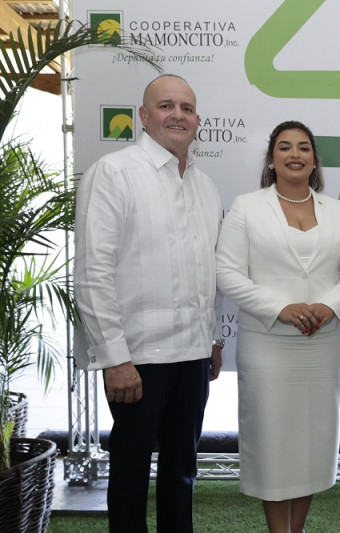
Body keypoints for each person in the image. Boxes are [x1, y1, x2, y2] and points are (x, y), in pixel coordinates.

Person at [74, 73, 223, 532]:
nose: (177, 114)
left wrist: (212, 339)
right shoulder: (115, 173)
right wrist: (115, 358)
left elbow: (205, 272)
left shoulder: (205, 186)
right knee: (131, 474)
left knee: (182, 471)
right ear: (143, 115)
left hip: (193, 356)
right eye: (165, 105)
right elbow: (92, 274)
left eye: (187, 107)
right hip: (136, 360)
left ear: (197, 120)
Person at [216, 121, 340, 533]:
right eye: (284, 147)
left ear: (314, 160)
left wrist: (329, 307)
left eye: (304, 147)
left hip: (322, 345)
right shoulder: (246, 207)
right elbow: (227, 273)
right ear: (271, 158)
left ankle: (298, 529)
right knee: (274, 446)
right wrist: (282, 307)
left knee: (311, 444)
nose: (294, 154)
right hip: (268, 345)